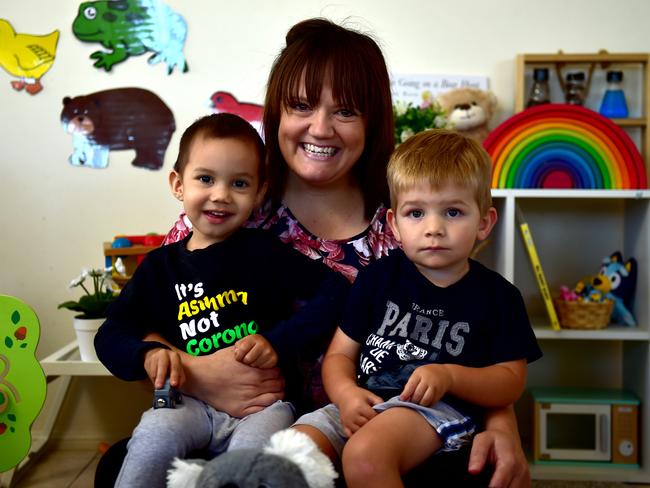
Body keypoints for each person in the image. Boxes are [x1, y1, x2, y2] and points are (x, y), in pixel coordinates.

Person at [99, 18, 534, 488]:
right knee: (121, 466)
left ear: (372, 121)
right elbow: (145, 328)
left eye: (345, 111)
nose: (320, 128)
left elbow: (470, 326)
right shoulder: (229, 210)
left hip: (372, 432)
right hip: (240, 425)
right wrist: (199, 375)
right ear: (277, 113)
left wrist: (502, 424)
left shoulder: (409, 221)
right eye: (301, 105)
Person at [94, 113, 349, 487]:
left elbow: (335, 293)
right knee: (152, 439)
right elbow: (110, 333)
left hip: (263, 407)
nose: (221, 195)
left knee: (252, 465)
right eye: (205, 179)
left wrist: (277, 343)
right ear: (178, 185)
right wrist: (147, 355)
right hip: (187, 404)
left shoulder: (264, 253)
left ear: (260, 192)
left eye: (239, 183)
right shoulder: (159, 266)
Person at [290, 129, 542, 487]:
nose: (434, 228)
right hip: (360, 403)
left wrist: (450, 376)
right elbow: (339, 357)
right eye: (416, 213)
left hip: (434, 412)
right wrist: (345, 395)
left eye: (453, 212)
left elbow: (510, 383)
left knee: (365, 456)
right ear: (394, 224)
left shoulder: (498, 296)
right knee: (289, 453)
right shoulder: (377, 279)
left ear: (484, 222)